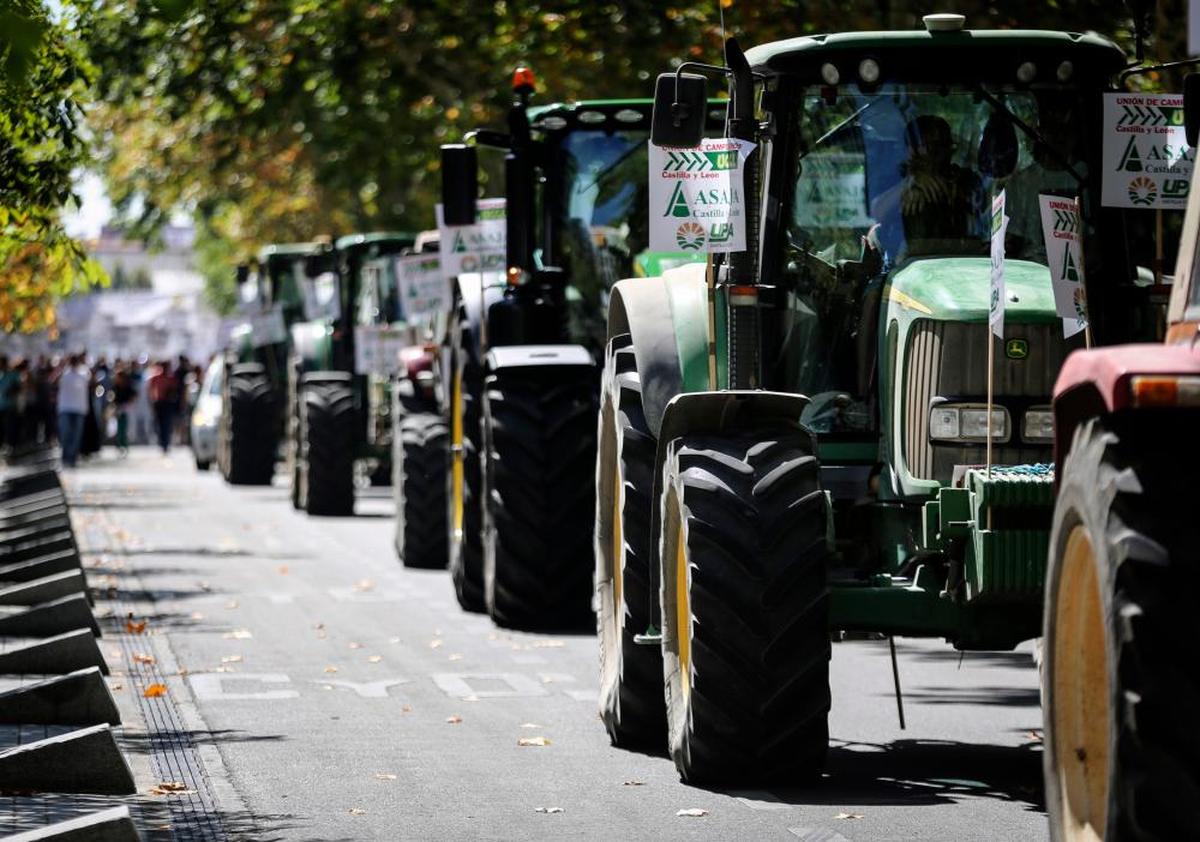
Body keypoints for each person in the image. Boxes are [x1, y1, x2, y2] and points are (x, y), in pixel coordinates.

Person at [897, 114, 986, 249]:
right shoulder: (899, 178)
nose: (937, 153)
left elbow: (981, 209)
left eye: (943, 144)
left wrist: (948, 191)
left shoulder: (966, 180)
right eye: (928, 145)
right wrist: (908, 186)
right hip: (910, 263)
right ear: (910, 150)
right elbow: (876, 211)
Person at [56, 354, 91, 468]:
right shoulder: (63, 374)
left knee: (76, 435)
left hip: (79, 409)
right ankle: (65, 456)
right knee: (65, 433)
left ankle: (72, 457)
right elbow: (54, 380)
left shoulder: (83, 374)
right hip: (65, 408)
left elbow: (92, 382)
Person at [146, 360, 179, 454]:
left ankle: (165, 443)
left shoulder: (171, 378)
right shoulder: (156, 377)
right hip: (159, 403)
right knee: (159, 424)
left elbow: (174, 391)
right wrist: (152, 401)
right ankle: (162, 442)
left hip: (167, 403)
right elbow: (151, 390)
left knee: (166, 424)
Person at [112, 364, 136, 456]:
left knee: (124, 429)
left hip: (126, 410)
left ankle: (125, 446)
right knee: (118, 429)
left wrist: (127, 405)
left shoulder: (128, 387)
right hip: (118, 410)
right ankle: (119, 446)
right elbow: (112, 398)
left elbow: (133, 396)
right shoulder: (115, 387)